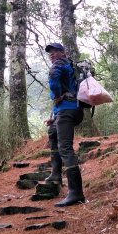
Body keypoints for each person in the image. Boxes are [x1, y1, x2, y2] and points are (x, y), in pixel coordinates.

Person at [44, 42, 85, 206]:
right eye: (50, 53)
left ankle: (76, 192)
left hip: (67, 110)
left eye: (55, 51)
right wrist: (54, 117)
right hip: (70, 109)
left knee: (65, 148)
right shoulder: (70, 66)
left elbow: (54, 79)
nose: (52, 55)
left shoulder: (59, 64)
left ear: (62, 52)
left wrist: (58, 94)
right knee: (53, 133)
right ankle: (55, 174)